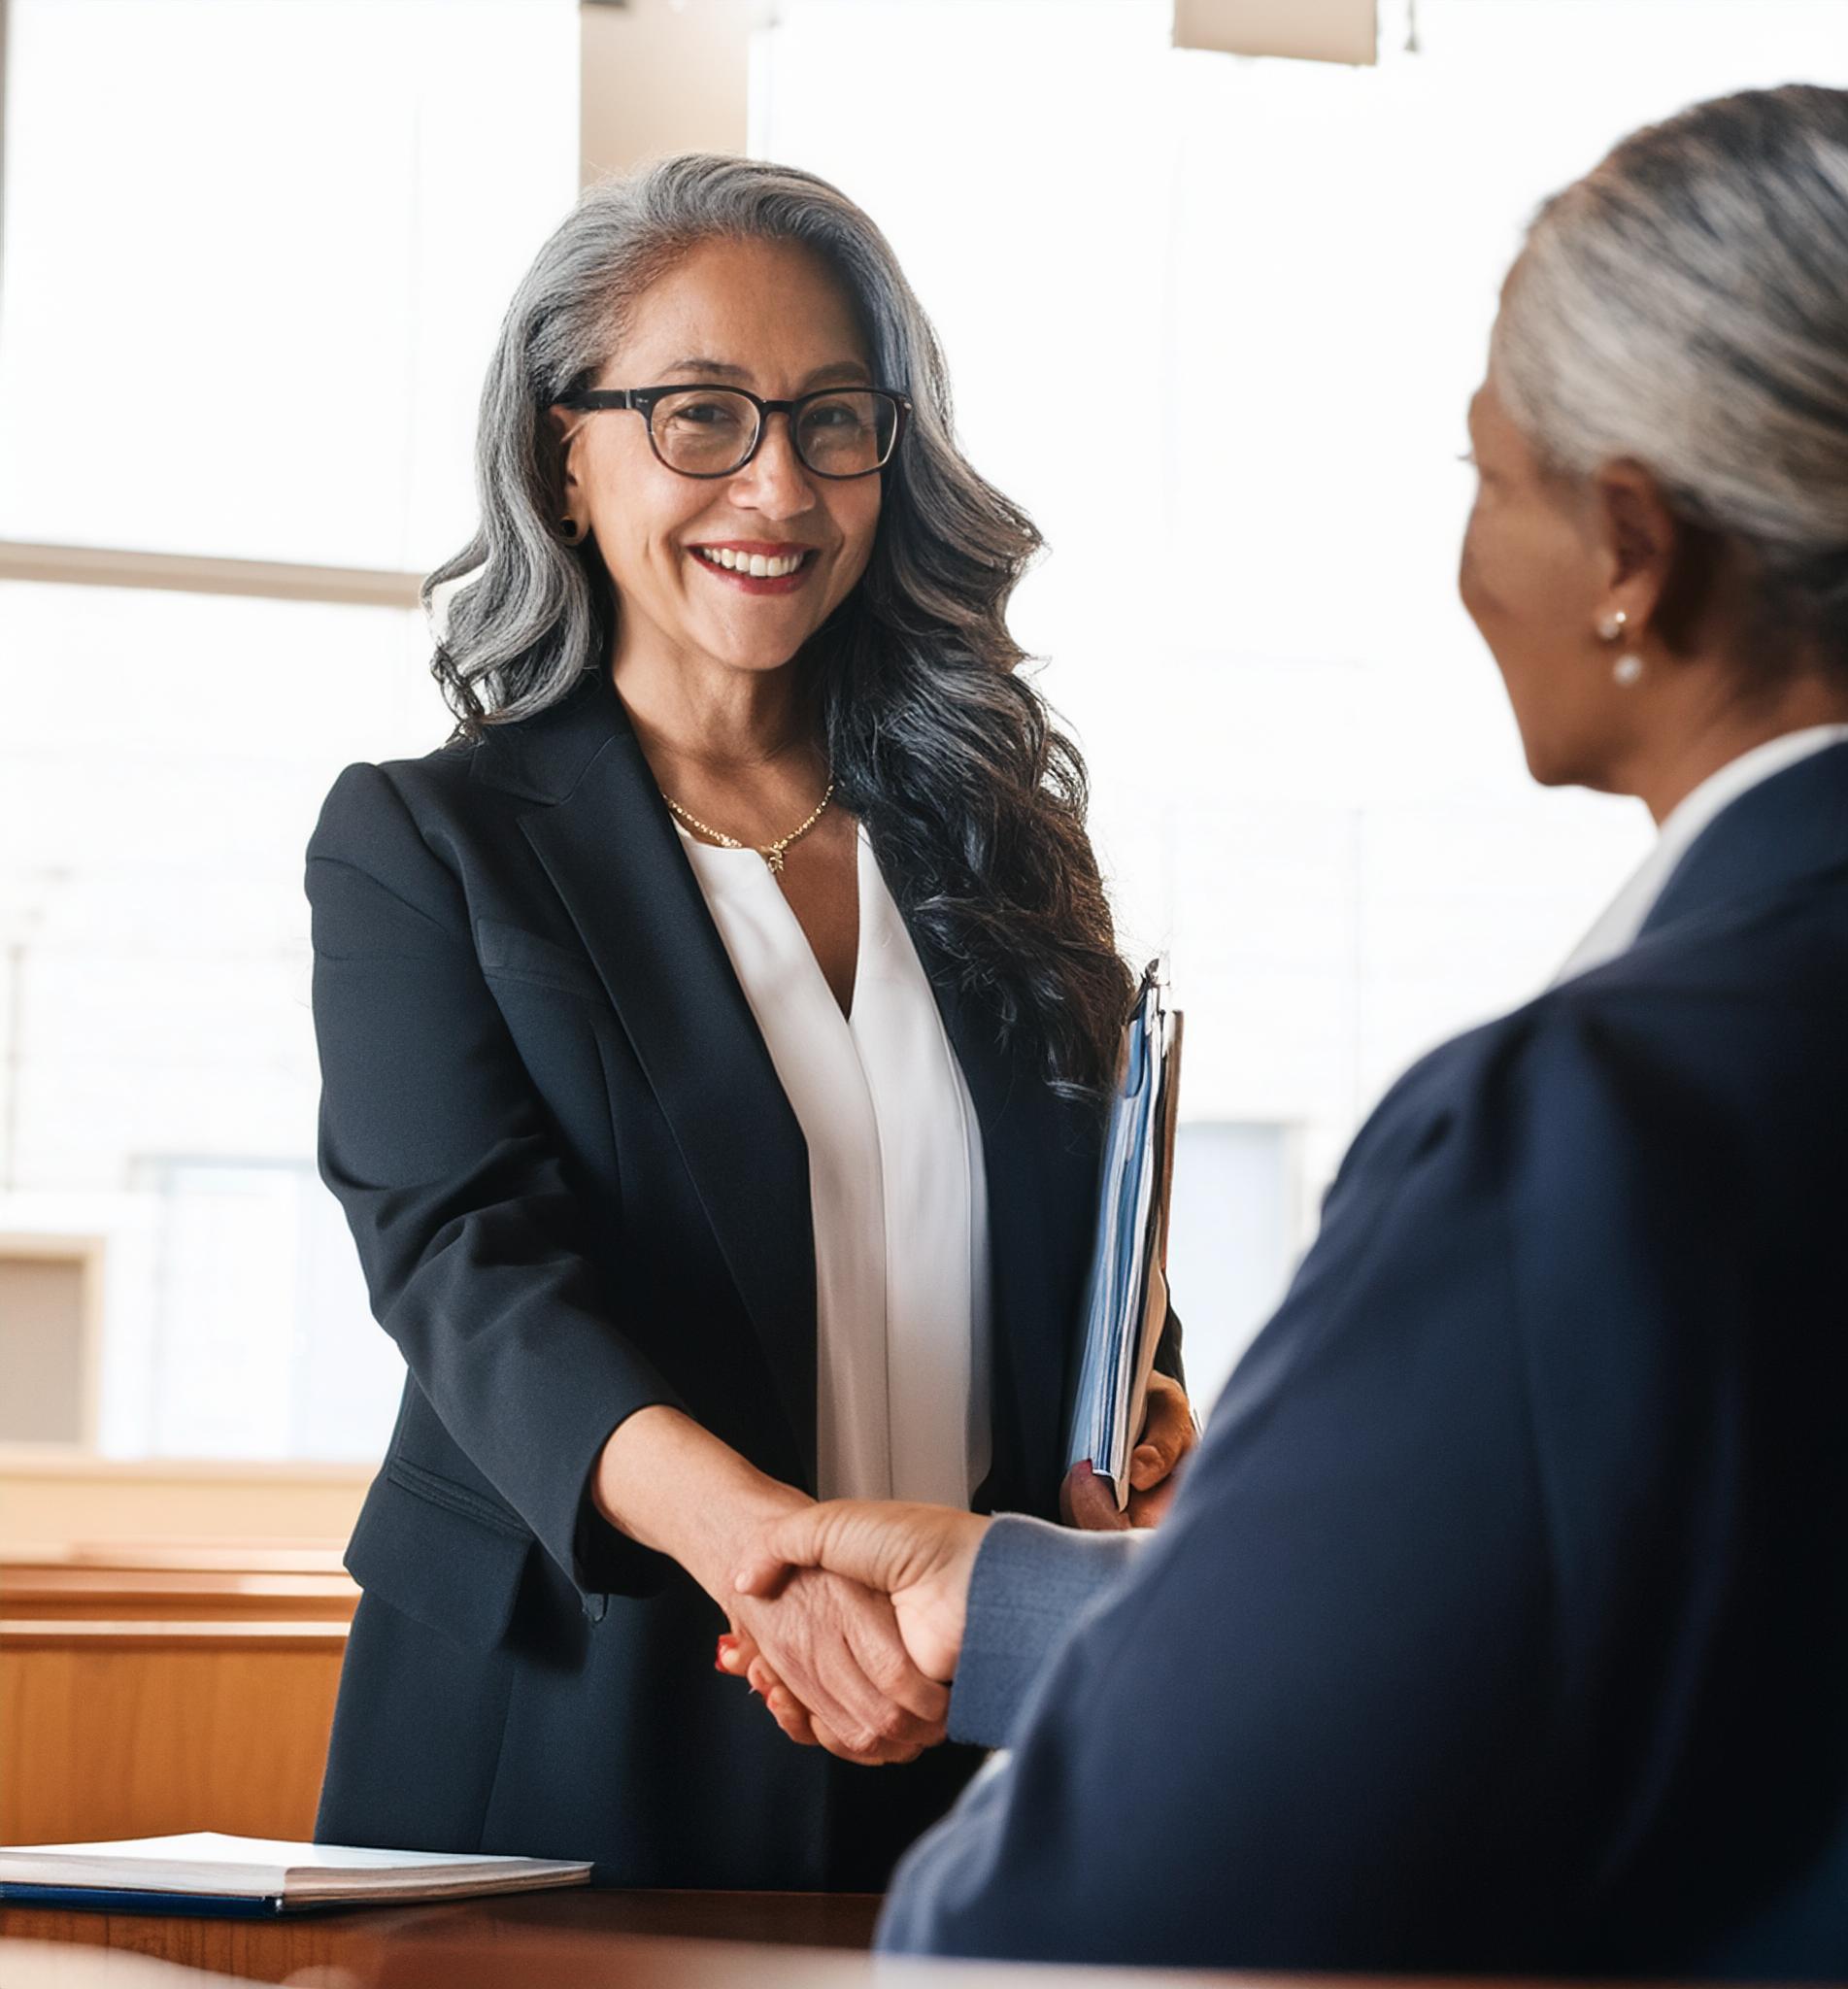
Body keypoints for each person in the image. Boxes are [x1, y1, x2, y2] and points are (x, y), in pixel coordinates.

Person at [721, 86, 1848, 1972]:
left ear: (1631, 544)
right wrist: (1024, 1601)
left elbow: (1102, 1900)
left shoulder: (1582, 1124)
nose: (1470, 553)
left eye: (1488, 476)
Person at [303, 152, 1193, 1891]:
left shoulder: (1001, 836)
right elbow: (471, 1275)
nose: (778, 484)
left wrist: (1147, 1405)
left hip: (962, 1708)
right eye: (700, 415)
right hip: (589, 1708)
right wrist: (775, 1567)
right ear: (569, 450)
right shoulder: (429, 843)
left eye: (833, 418)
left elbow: (1102, 1248)